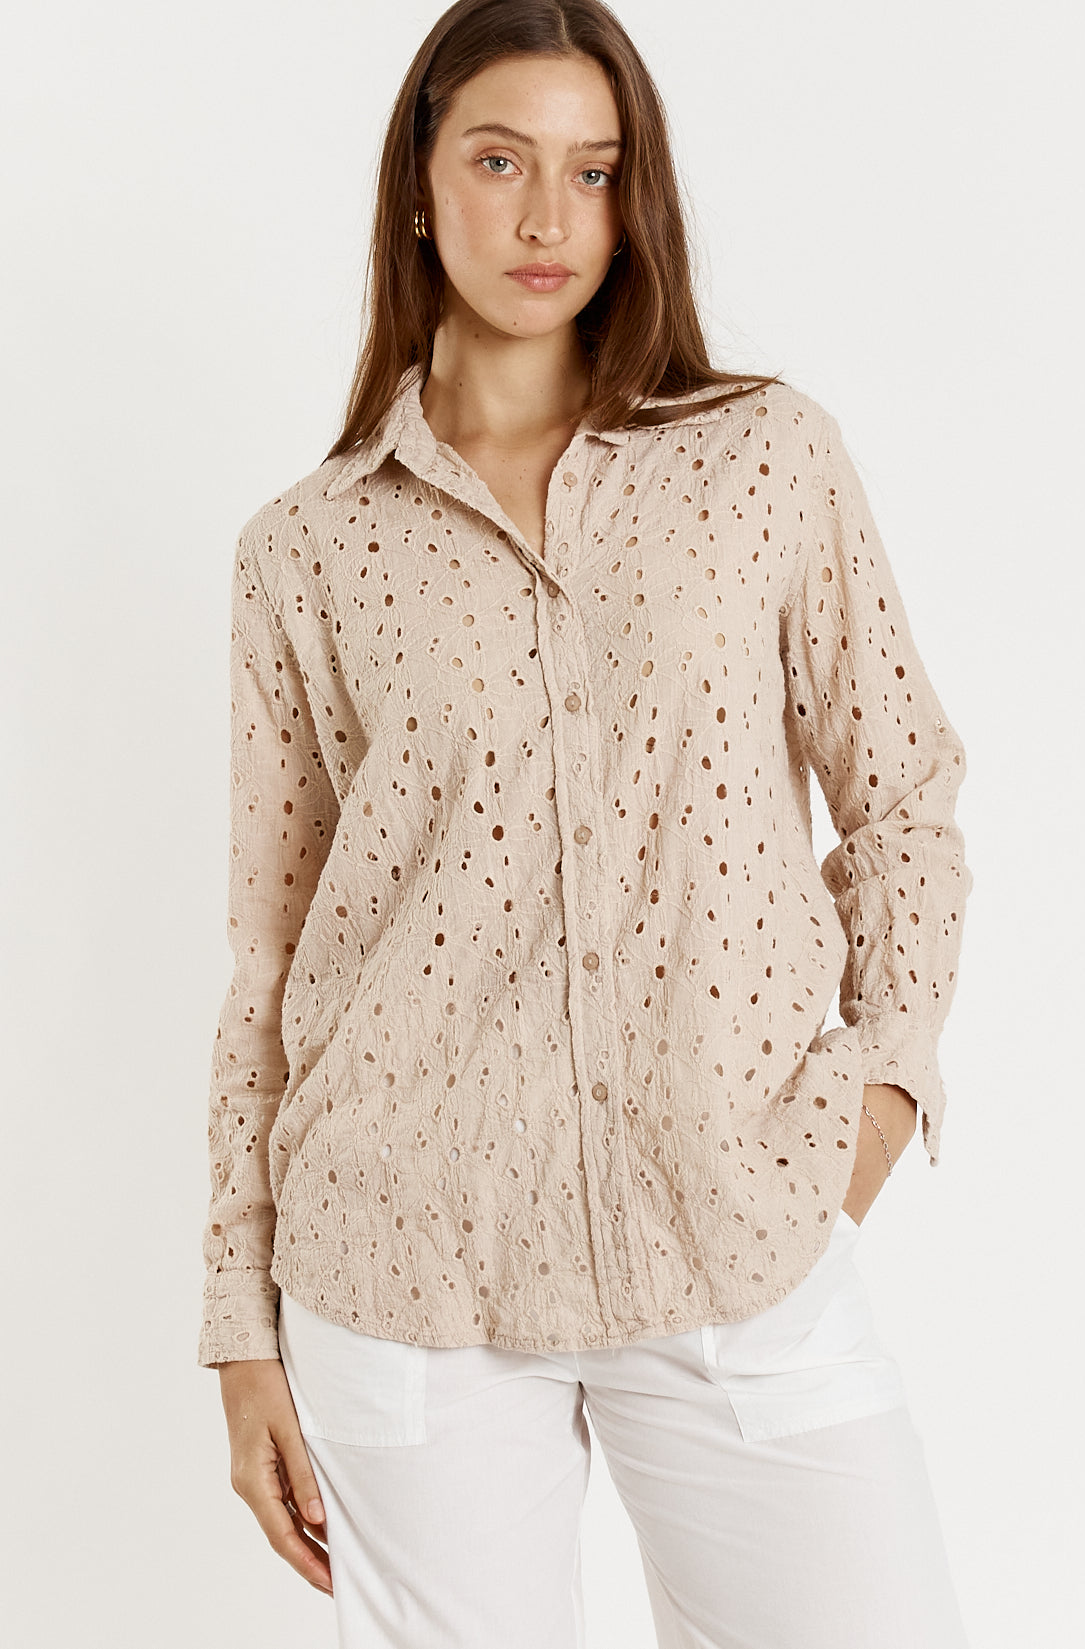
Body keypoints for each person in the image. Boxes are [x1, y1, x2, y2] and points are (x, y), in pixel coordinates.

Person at [198, 3, 974, 1644]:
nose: (548, 216)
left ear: (636, 199)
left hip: (738, 1238)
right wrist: (239, 1326)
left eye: (594, 170)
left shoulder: (764, 459)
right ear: (421, 189)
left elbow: (903, 790)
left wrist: (880, 1094)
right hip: (405, 1264)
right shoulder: (305, 550)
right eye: (500, 162)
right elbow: (271, 954)